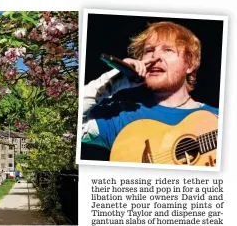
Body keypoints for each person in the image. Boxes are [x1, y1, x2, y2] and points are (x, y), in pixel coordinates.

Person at [81, 21, 218, 154]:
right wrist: (114, 82)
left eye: (168, 50)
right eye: (149, 50)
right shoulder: (121, 116)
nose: (155, 57)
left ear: (190, 64)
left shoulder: (219, 120)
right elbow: (67, 124)